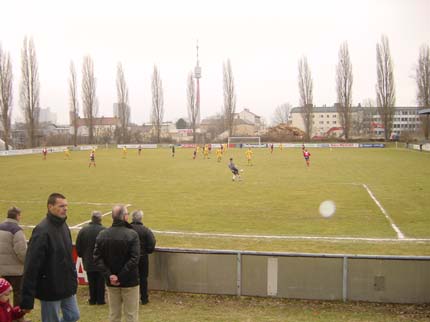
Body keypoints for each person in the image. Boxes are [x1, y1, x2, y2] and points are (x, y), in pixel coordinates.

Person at [20, 193, 80, 322]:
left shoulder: (64, 226)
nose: (65, 208)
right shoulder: (42, 231)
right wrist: (27, 299)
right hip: (50, 288)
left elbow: (68, 258)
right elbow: (31, 266)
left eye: (66, 206)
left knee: (73, 315)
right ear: (50, 206)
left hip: (66, 286)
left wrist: (73, 281)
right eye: (61, 206)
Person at [94, 205, 140, 322]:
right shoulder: (132, 234)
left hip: (112, 282)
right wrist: (118, 276)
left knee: (114, 315)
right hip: (129, 281)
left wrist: (110, 276)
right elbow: (135, 259)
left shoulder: (102, 234)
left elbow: (97, 258)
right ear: (124, 217)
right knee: (131, 316)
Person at [76, 211, 106, 305]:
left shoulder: (83, 230)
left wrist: (82, 255)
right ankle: (100, 300)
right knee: (100, 281)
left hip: (88, 260)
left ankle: (92, 299)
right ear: (100, 219)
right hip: (101, 261)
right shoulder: (104, 230)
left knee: (91, 281)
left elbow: (78, 245)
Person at [0, 207, 27, 308]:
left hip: (2, 268)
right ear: (17, 216)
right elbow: (21, 251)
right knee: (18, 293)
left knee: (3, 293)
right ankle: (18, 317)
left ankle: (5, 315)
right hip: (15, 270)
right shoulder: (17, 230)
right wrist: (26, 263)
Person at [130, 210, 156, 305]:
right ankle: (144, 298)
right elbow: (152, 243)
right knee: (143, 278)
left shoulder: (127, 229)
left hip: (129, 258)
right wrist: (147, 251)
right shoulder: (145, 230)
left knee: (130, 277)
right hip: (142, 257)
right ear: (141, 218)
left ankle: (131, 298)